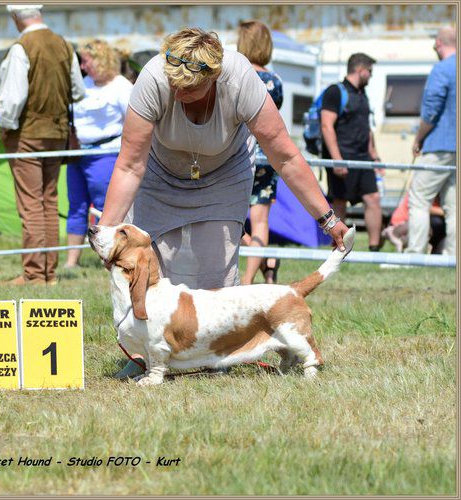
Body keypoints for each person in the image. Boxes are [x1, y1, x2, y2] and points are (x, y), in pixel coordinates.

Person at [96, 28, 349, 378]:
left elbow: (286, 156)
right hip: (159, 172)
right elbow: (128, 164)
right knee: (155, 271)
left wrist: (328, 219)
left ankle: (217, 359)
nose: (178, 92)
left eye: (189, 87)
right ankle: (146, 356)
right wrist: (108, 236)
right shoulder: (154, 78)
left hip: (224, 173)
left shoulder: (241, 79)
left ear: (214, 76)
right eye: (174, 83)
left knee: (218, 270)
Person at [0, 4, 85, 285]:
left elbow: (12, 100)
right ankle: (48, 272)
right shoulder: (64, 45)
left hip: (27, 135)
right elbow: (78, 92)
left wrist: (5, 127)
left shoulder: (21, 47)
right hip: (56, 134)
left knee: (31, 205)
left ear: (15, 18)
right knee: (49, 201)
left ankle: (34, 274)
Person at [64, 39, 134, 269]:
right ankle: (71, 261)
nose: (83, 67)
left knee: (108, 207)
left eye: (86, 61)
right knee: (76, 207)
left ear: (101, 59)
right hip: (78, 154)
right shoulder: (83, 84)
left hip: (107, 154)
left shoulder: (121, 86)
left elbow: (134, 123)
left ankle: (113, 256)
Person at [320, 52, 383, 251]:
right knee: (339, 203)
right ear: (360, 70)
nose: (371, 76)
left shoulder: (362, 94)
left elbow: (367, 128)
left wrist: (375, 156)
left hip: (363, 159)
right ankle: (338, 249)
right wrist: (337, 160)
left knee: (373, 198)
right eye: (370, 72)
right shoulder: (335, 91)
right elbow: (326, 126)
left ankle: (374, 250)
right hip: (342, 158)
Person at [237, 20, 284, 285]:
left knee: (230, 217)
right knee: (260, 222)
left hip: (237, 154)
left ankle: (244, 274)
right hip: (265, 156)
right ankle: (248, 279)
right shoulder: (274, 82)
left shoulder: (236, 77)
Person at [407, 26, 456, 256]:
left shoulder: (442, 69)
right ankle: (452, 255)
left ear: (438, 43)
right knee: (453, 205)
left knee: (419, 198)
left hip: (440, 144)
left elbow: (431, 112)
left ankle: (415, 253)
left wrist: (418, 139)